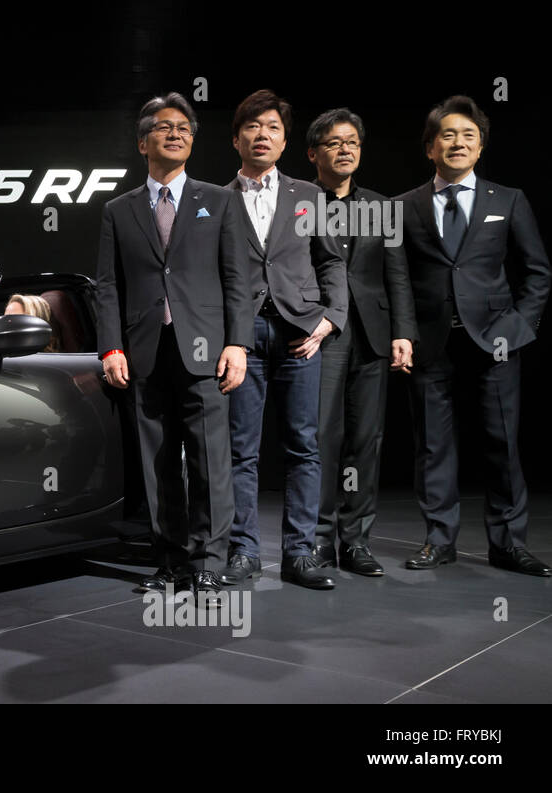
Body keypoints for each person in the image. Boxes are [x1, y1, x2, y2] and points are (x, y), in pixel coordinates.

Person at [95, 92, 252, 607]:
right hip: (143, 350)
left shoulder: (220, 200)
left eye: (185, 127)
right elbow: (108, 286)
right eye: (165, 127)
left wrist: (238, 343)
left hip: (206, 350)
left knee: (210, 460)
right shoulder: (118, 211)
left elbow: (237, 278)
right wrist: (111, 348)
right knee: (157, 460)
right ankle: (169, 560)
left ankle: (208, 563)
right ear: (144, 142)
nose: (177, 133)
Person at [396, 96, 551, 576]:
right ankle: (439, 540)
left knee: (502, 443)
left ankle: (507, 544)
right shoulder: (404, 206)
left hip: (496, 342)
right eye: (447, 134)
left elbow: (537, 272)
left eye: (468, 135)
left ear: (480, 147)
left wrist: (519, 328)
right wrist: (404, 334)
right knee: (432, 446)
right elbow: (397, 278)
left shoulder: (509, 200)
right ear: (429, 148)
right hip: (431, 341)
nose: (458, 143)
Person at [220, 89, 347, 590]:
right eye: (252, 127)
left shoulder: (309, 195)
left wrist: (330, 319)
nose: (262, 135)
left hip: (301, 334)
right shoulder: (214, 199)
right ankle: (243, 551)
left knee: (303, 447)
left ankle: (299, 554)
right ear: (236, 139)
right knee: (239, 451)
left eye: (272, 127)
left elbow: (332, 261)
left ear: (285, 139)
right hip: (241, 337)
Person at [306, 108, 417, 576]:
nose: (345, 149)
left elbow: (397, 276)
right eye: (334, 142)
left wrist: (404, 333)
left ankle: (355, 542)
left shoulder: (382, 206)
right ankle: (315, 541)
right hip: (323, 336)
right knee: (320, 440)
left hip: (373, 337)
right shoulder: (300, 202)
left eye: (352, 142)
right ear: (313, 152)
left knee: (365, 442)